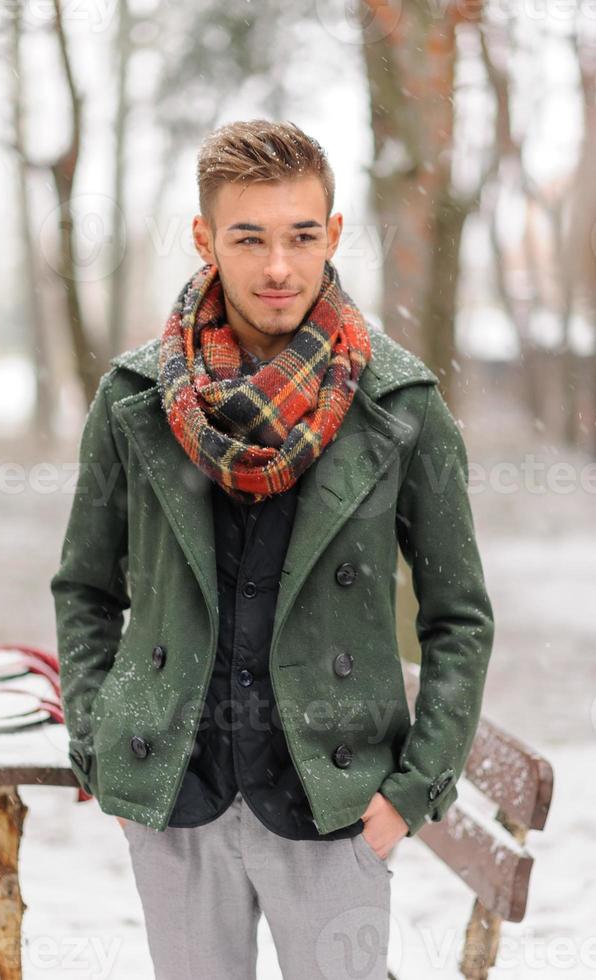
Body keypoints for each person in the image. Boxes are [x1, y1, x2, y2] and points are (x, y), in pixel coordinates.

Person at [51, 119, 495, 980]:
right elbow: (85, 589)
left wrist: (409, 794)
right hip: (175, 795)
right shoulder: (134, 399)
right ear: (205, 239)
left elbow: (460, 619)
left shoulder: (402, 406)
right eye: (249, 238)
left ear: (333, 234)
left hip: (335, 801)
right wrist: (103, 745)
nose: (279, 267)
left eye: (300, 236)